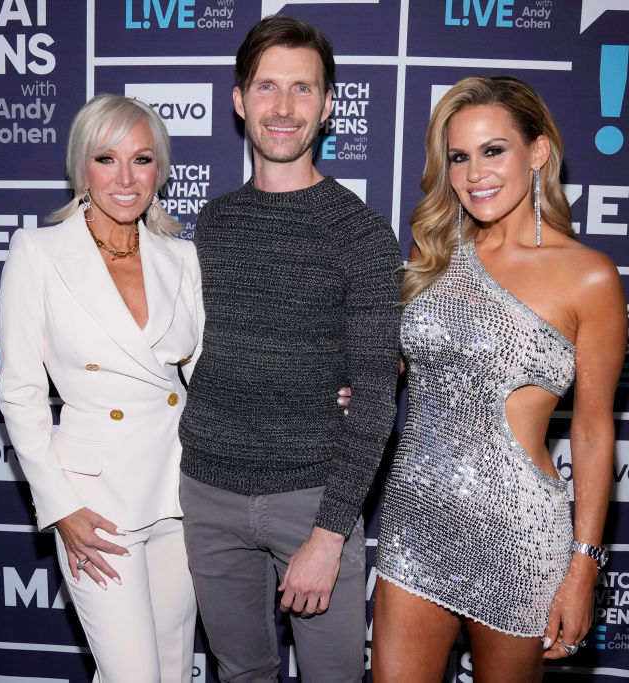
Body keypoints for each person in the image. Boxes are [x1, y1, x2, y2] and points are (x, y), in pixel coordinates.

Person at [372, 76, 626, 682]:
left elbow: (593, 430)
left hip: (516, 530)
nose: (473, 173)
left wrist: (584, 566)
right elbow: (401, 370)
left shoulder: (588, 277)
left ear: (538, 152)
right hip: (414, 516)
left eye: (493, 151)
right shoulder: (435, 255)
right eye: (459, 157)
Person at [177, 15, 403, 683]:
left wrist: (329, 536)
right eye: (266, 87)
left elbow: (374, 399)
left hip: (315, 499)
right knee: (240, 673)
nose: (283, 107)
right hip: (207, 494)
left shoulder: (362, 233)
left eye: (302, 88)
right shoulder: (212, 222)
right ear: (239, 100)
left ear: (328, 105)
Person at [0, 94, 202, 682]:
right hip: (96, 504)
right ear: (81, 167)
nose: (125, 178)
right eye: (106, 159)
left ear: (159, 170)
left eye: (142, 159)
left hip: (178, 491)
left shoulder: (181, 258)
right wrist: (61, 508)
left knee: (172, 669)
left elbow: (213, 377)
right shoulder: (39, 253)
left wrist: (315, 395)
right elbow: (20, 393)